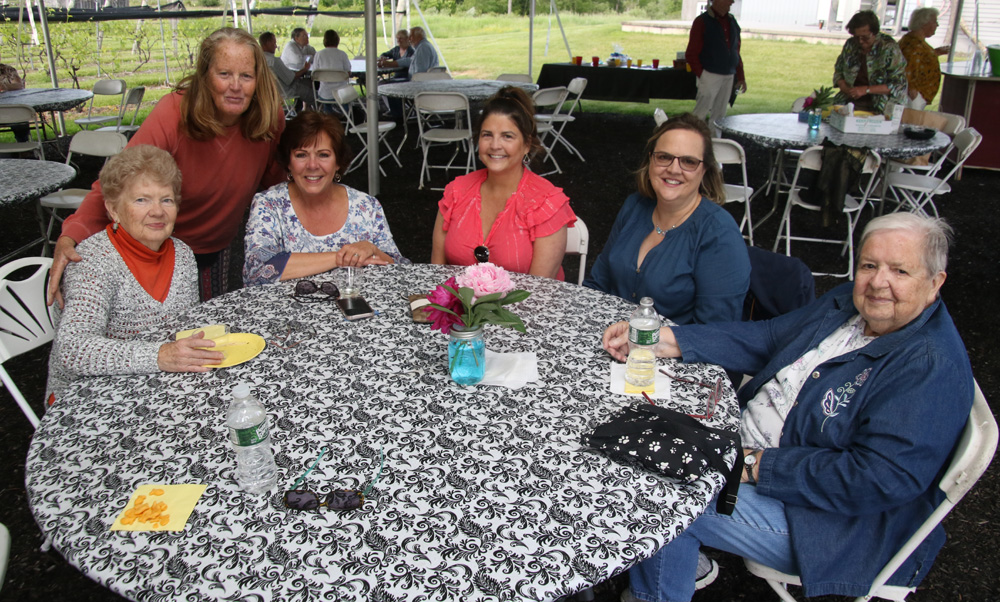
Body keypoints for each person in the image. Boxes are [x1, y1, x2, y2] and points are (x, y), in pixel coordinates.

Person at [604, 213, 974, 602]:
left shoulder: (928, 367)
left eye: (900, 271)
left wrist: (750, 465)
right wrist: (667, 340)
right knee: (633, 433)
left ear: (935, 283)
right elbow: (770, 336)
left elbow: (878, 479)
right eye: (869, 265)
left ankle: (657, 589)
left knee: (657, 497)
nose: (878, 282)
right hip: (747, 448)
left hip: (828, 525)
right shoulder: (848, 304)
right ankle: (677, 561)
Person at [48, 27, 287, 305]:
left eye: (246, 76)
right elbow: (118, 183)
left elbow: (276, 183)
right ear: (205, 76)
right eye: (224, 74)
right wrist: (72, 235)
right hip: (159, 245)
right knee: (164, 329)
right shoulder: (174, 113)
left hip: (217, 246)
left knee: (211, 325)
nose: (236, 85)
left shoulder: (269, 119)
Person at [46, 145, 225, 401]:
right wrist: (160, 356)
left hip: (157, 384)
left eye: (166, 200)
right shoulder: (92, 262)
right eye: (141, 200)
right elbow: (74, 350)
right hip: (89, 396)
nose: (157, 211)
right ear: (114, 210)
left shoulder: (182, 254)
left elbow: (184, 328)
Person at [583, 113, 749, 324]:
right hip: (606, 340)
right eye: (664, 157)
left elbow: (716, 331)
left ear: (705, 169)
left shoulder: (718, 232)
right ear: (650, 160)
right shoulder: (634, 206)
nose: (673, 169)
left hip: (673, 354)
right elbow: (598, 284)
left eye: (688, 161)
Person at [243, 111, 409, 286]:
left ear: (338, 162)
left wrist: (372, 250)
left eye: (323, 155)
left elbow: (400, 271)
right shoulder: (269, 204)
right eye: (301, 155)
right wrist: (342, 258)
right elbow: (258, 271)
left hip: (358, 309)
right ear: (288, 162)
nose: (313, 165)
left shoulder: (366, 206)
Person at [430, 86, 575, 280]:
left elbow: (540, 295)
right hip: (456, 308)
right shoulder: (456, 192)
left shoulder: (547, 204)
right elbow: (436, 275)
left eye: (508, 136)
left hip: (529, 308)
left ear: (527, 144)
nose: (495, 145)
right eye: (487, 135)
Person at [685, 0, 747, 133]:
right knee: (700, 114)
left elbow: (736, 50)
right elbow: (691, 53)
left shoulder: (732, 22)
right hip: (710, 73)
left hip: (728, 74)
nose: (731, 2)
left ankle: (715, 145)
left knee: (719, 116)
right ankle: (693, 142)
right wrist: (702, 74)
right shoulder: (702, 22)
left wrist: (740, 76)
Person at [833, 10, 908, 114]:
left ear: (875, 32)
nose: (860, 41)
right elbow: (839, 70)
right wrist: (845, 87)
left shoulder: (889, 47)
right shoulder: (851, 44)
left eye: (865, 37)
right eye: (856, 37)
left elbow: (898, 84)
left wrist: (866, 90)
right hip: (850, 102)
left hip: (881, 106)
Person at [900, 7, 950, 109]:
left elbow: (921, 59)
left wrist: (935, 52)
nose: (937, 25)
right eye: (935, 22)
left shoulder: (915, 41)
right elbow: (908, 67)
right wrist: (913, 92)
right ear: (924, 23)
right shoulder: (914, 44)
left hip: (918, 95)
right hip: (913, 96)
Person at [260, 31, 314, 113]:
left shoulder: (259, 59)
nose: (275, 46)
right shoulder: (274, 61)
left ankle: (301, 110)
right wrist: (305, 69)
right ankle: (319, 108)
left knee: (306, 83)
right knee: (310, 87)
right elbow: (291, 78)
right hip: (285, 90)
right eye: (274, 43)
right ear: (268, 43)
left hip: (269, 91)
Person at [311, 29, 352, 104]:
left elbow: (314, 74)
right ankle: (344, 114)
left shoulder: (319, 54)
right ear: (338, 40)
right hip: (342, 94)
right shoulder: (342, 54)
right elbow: (348, 72)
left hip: (324, 94)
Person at [0, 51, 30, 143]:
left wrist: (4, 86)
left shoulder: (7, 70)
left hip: (10, 110)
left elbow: (19, 85)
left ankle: (23, 146)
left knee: (20, 118)